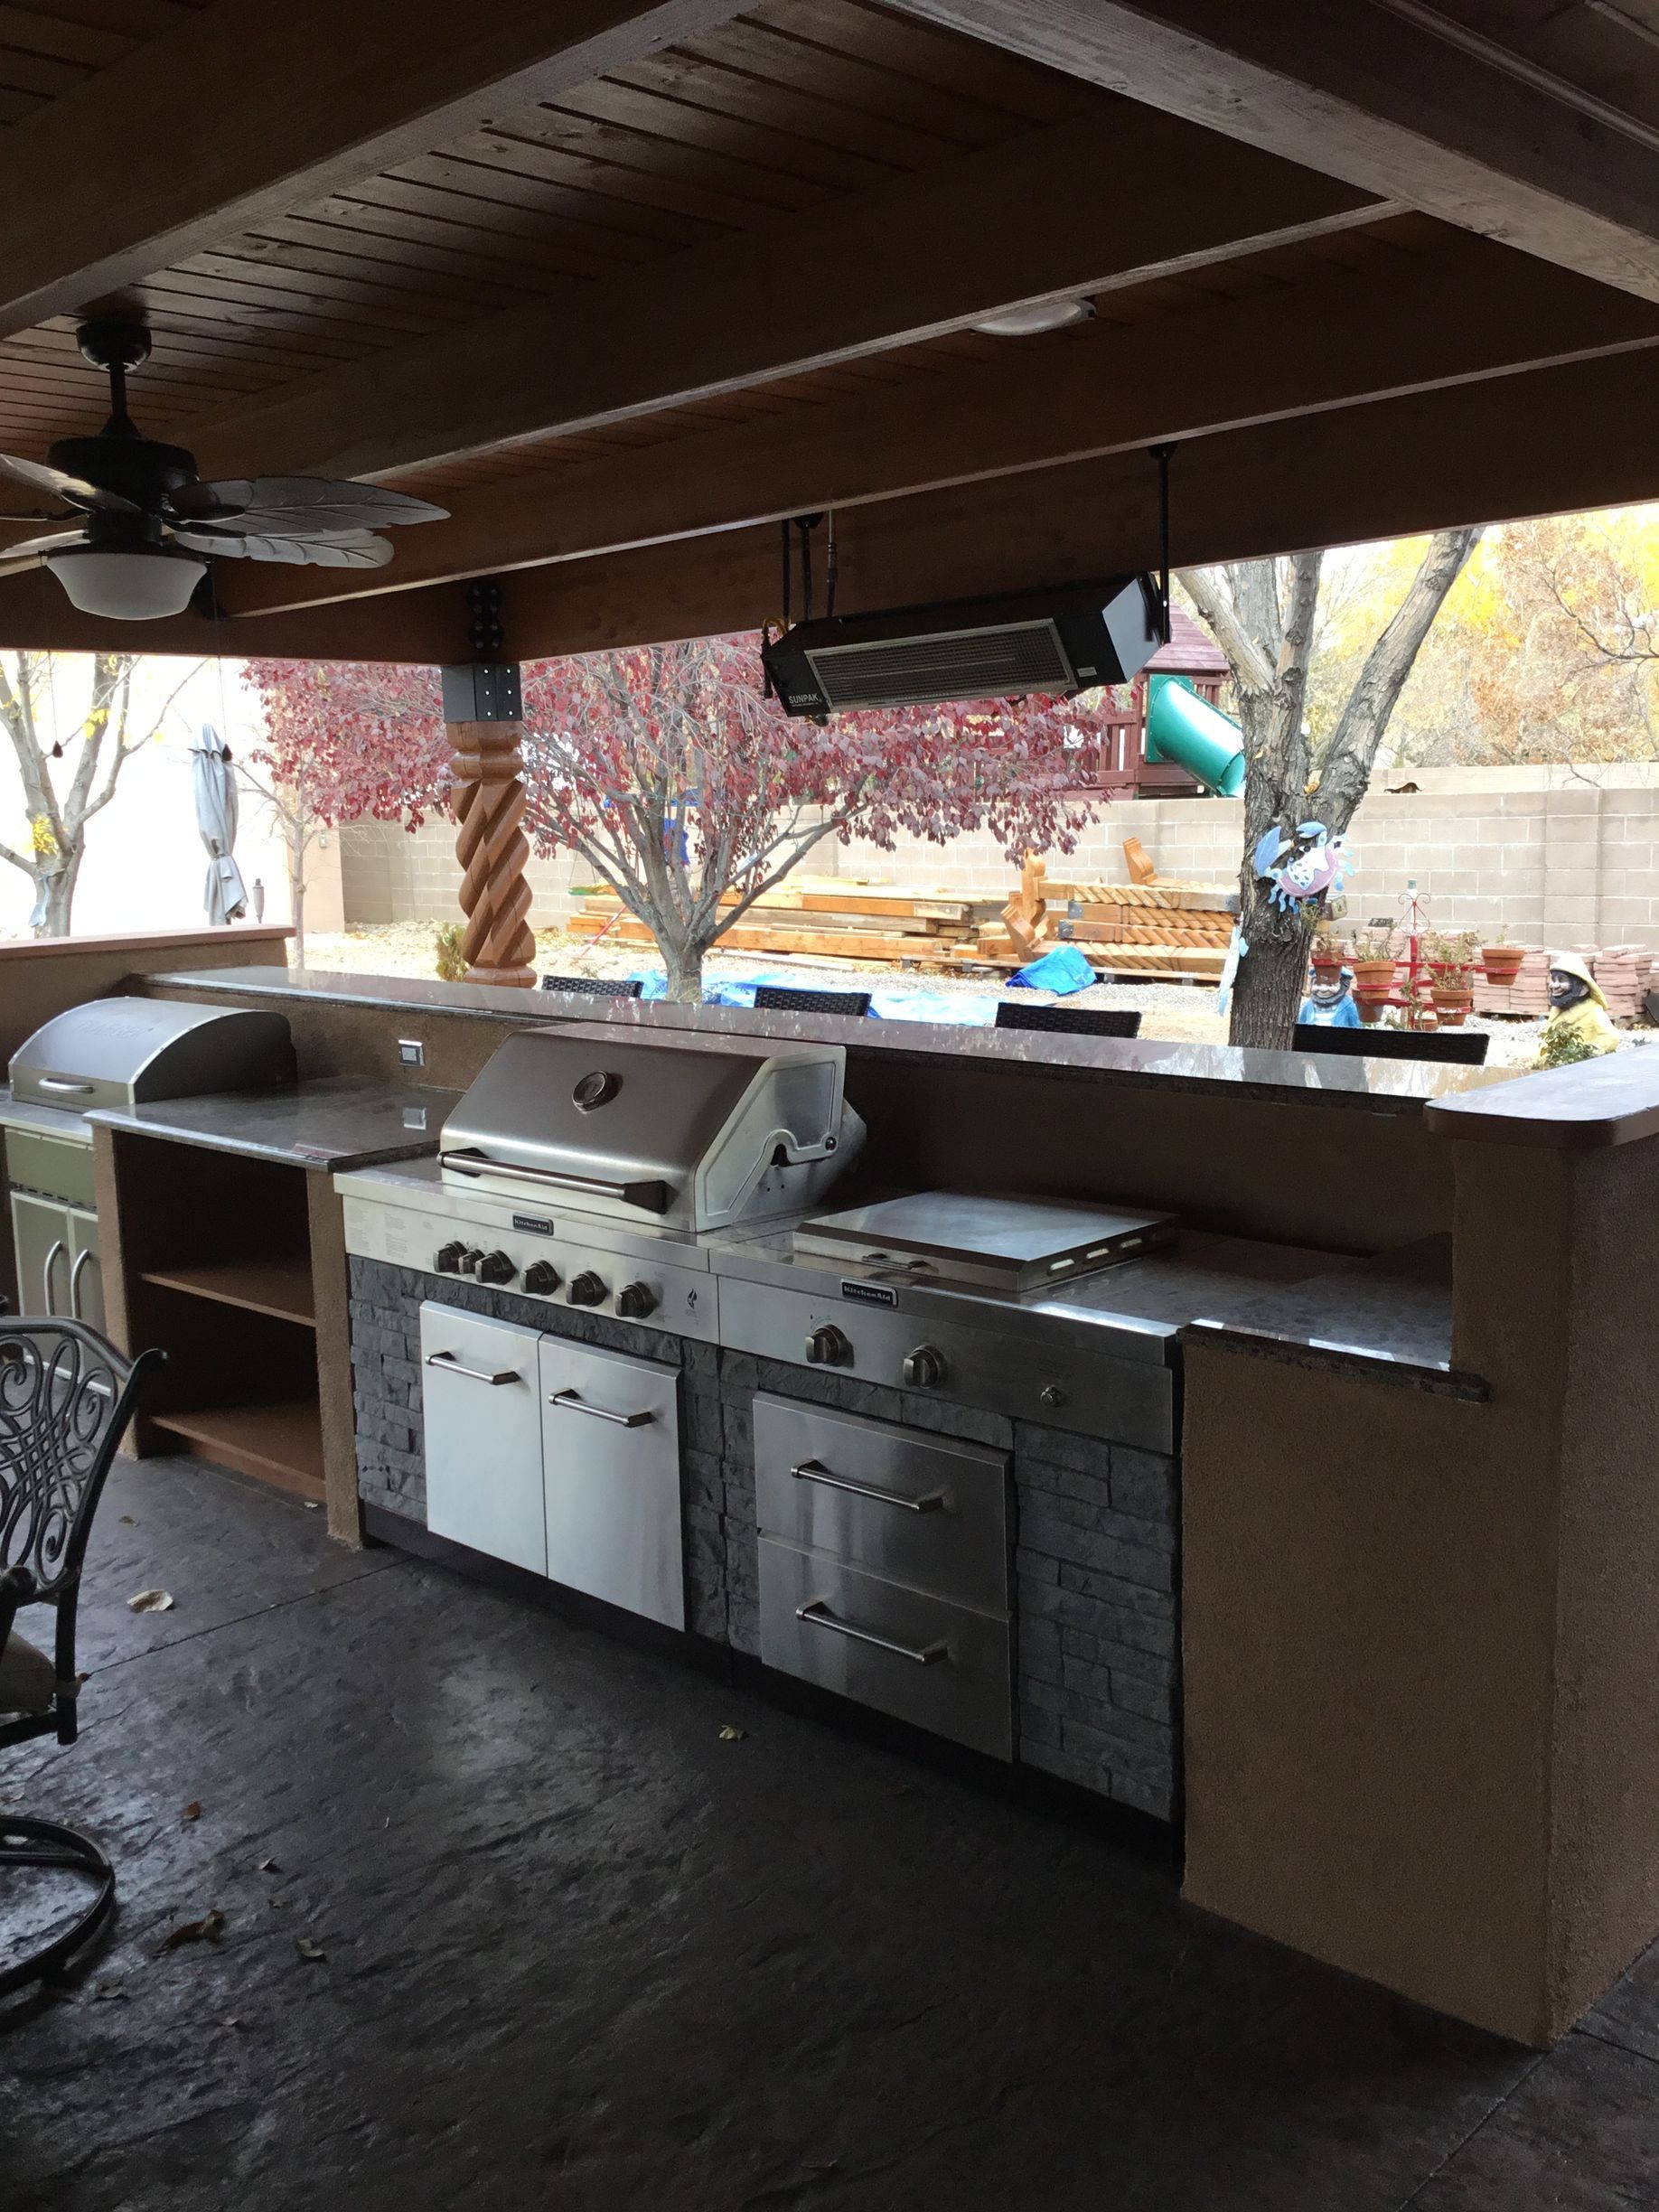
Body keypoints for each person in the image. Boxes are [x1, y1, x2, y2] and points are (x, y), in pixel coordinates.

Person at [1539, 951, 1620, 1066]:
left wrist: (1582, 1055)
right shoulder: (1556, 1011)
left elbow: (1612, 1037)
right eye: (1553, 980)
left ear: (1582, 988)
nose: (1554, 985)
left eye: (1562, 980)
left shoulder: (1592, 1011)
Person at [1298, 963, 1363, 1028]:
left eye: (1330, 985)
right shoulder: (1309, 1005)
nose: (1323, 989)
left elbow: (1356, 1028)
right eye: (1318, 984)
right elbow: (1300, 1026)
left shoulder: (1349, 1005)